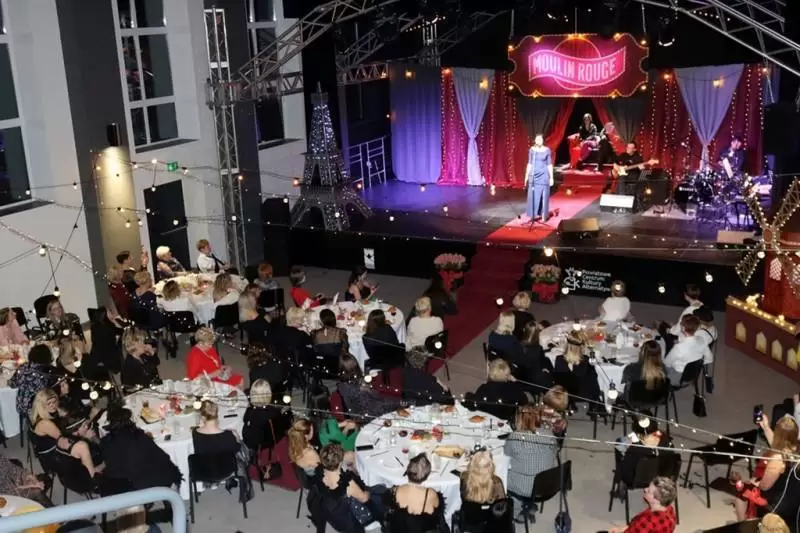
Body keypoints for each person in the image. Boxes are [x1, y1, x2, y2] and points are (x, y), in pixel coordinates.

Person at [100, 405, 182, 491]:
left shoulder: (105, 442)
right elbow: (163, 458)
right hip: (147, 485)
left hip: (122, 487)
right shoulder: (139, 437)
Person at [732, 413, 797, 520]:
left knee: (742, 494)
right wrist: (766, 427)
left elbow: (764, 486)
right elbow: (778, 446)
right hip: (793, 495)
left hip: (778, 503)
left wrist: (756, 482)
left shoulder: (777, 459)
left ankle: (743, 524)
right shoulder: (795, 448)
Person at [504, 405, 558, 523]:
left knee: (500, 474)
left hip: (524, 488)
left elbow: (506, 453)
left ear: (518, 419)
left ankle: (517, 510)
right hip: (546, 486)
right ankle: (529, 505)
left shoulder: (515, 437)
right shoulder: (549, 434)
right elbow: (554, 454)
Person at [29, 389, 99, 478]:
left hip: (54, 444)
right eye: (49, 403)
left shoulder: (43, 413)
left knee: (83, 427)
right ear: (41, 405)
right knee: (84, 446)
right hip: (53, 455)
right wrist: (84, 436)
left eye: (54, 401)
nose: (53, 405)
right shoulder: (45, 423)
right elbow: (64, 440)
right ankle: (91, 475)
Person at [309, 443, 375, 533]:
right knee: (376, 495)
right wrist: (369, 488)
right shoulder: (348, 485)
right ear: (340, 463)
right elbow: (364, 498)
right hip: (348, 523)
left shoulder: (318, 472)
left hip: (332, 517)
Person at [384, 453, 447, 533]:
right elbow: (436, 517)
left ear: (407, 471)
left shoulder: (395, 490)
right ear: (427, 475)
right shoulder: (430, 494)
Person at [337, 352, 402, 420]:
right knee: (396, 402)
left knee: (394, 402)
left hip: (360, 413)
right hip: (368, 413)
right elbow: (374, 399)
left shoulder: (342, 385)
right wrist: (368, 389)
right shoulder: (353, 385)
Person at [609, 477, 677, 533]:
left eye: (649, 491)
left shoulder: (647, 521)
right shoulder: (669, 509)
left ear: (655, 501)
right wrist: (621, 529)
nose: (645, 489)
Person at [663, 315, 712, 386]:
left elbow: (667, 363)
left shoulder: (678, 348)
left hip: (678, 377)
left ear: (683, 328)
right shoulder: (701, 340)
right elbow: (710, 359)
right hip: (693, 374)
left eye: (680, 323)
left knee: (661, 363)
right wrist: (697, 363)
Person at [10, 344, 56, 418]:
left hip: (22, 407)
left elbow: (12, 384)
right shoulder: (46, 372)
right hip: (38, 410)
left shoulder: (23, 368)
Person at [524, 133, 554, 222]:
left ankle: (544, 215)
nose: (539, 141)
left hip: (544, 175)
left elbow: (549, 164)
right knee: (533, 196)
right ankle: (533, 215)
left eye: (540, 139)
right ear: (535, 141)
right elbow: (529, 163)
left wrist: (551, 177)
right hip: (534, 175)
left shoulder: (547, 150)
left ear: (543, 140)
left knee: (544, 195)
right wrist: (526, 176)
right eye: (537, 139)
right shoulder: (532, 150)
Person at [89, 306, 125, 375]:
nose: (112, 313)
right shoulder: (109, 327)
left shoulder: (94, 327)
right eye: (110, 312)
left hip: (98, 356)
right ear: (105, 316)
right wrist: (114, 320)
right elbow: (122, 331)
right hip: (111, 358)